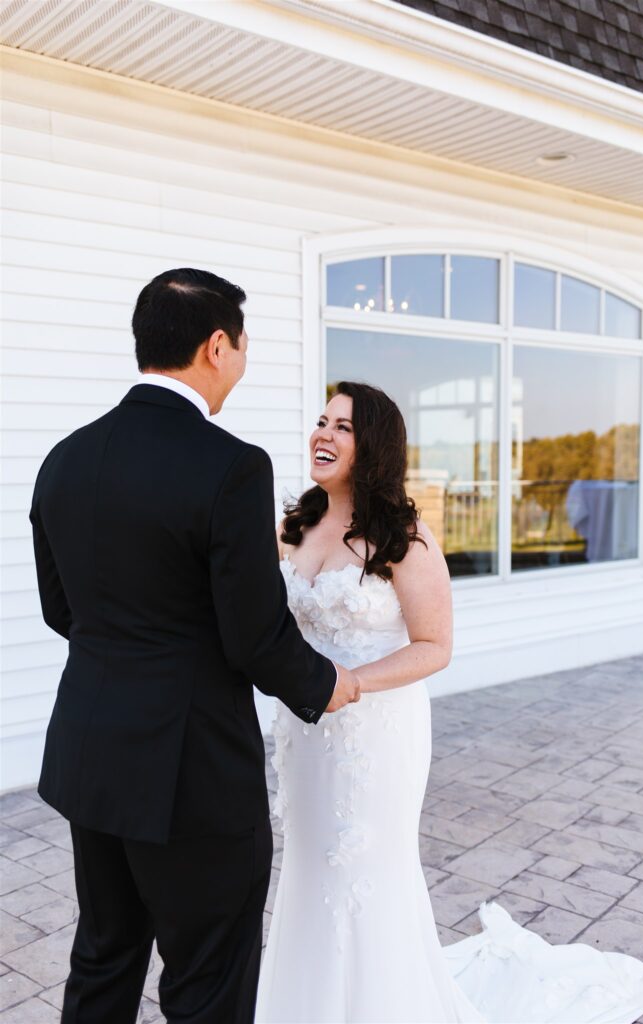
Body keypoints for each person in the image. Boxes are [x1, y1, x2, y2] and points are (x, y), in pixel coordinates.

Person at [255, 381, 643, 1024]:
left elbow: (435, 646)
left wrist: (354, 683)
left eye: (343, 427)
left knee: (366, 867)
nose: (324, 434)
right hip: (304, 732)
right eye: (322, 421)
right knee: (309, 864)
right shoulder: (297, 524)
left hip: (373, 731)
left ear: (372, 446)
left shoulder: (404, 535)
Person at [29, 268, 361, 1024]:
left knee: (104, 955)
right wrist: (322, 683)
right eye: (242, 345)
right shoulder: (230, 464)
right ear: (217, 346)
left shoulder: (65, 458)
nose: (242, 360)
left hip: (91, 751)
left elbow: (62, 610)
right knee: (207, 978)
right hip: (192, 769)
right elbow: (253, 633)